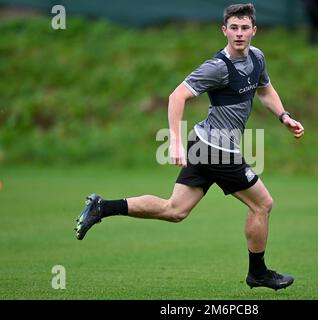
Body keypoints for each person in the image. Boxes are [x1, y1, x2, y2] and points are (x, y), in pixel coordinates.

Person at [74, 3, 304, 291]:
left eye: (245, 28)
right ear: (224, 30)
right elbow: (177, 96)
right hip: (217, 149)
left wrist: (284, 116)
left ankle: (102, 207)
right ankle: (258, 273)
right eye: (233, 28)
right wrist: (174, 140)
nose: (239, 33)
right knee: (263, 204)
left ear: (254, 31)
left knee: (175, 210)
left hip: (204, 142)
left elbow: (265, 89)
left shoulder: (257, 58)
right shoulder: (217, 67)